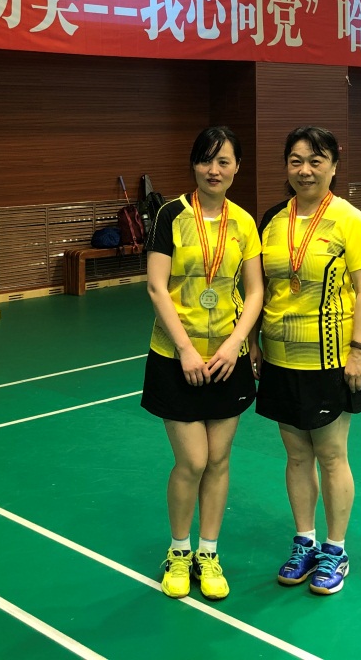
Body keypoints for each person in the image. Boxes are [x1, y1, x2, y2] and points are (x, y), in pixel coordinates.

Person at [253, 126, 361, 596]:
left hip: (331, 359)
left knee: (330, 455)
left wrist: (359, 351)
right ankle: (304, 542)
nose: (305, 170)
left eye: (315, 160)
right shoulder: (273, 219)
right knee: (296, 455)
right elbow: (262, 287)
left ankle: (335, 550)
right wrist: (255, 343)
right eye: (296, 161)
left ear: (333, 165)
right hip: (280, 358)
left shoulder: (348, 219)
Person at [141, 126, 264, 601]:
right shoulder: (171, 214)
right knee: (192, 460)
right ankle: (178, 551)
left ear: (237, 168)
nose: (214, 170)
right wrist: (186, 349)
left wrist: (236, 344)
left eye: (224, 161)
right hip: (176, 356)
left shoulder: (244, 222)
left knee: (218, 460)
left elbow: (254, 290)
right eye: (206, 160)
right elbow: (157, 286)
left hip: (227, 359)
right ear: (193, 164)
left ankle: (208, 553)